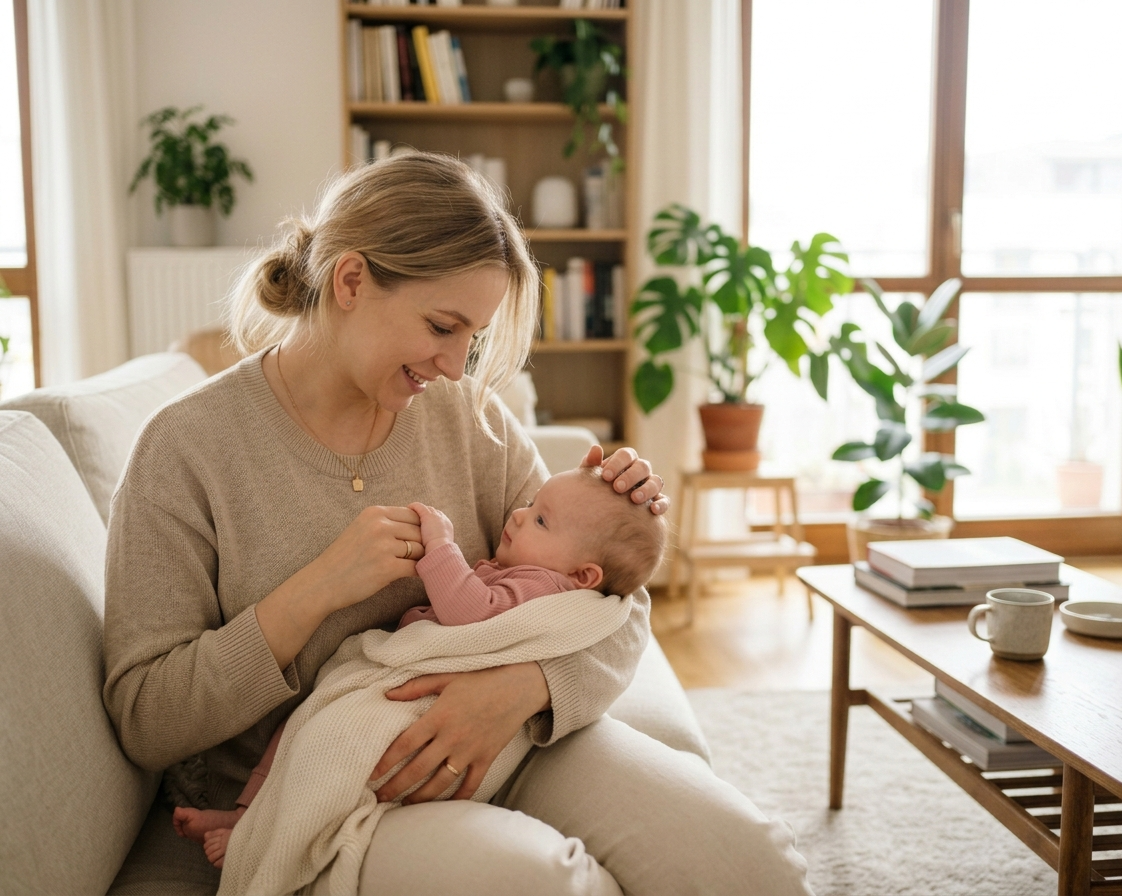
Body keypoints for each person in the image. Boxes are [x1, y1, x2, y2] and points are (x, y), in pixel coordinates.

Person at [102, 150, 814, 896]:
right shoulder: (186, 449)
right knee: (550, 885)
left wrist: (525, 685)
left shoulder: (466, 419)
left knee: (748, 861)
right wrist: (313, 591)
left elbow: (613, 606)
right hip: (329, 793)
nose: (452, 365)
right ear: (350, 281)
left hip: (507, 739)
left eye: (469, 338)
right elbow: (148, 717)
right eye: (442, 326)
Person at [172, 465, 669, 868]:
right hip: (392, 687)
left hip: (434, 718)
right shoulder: (544, 570)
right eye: (531, 505)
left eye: (540, 520)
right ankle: (246, 817)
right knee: (302, 728)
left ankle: (259, 831)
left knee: (326, 746)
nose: (517, 515)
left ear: (584, 576)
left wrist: (442, 548)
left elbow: (473, 612)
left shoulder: (544, 586)